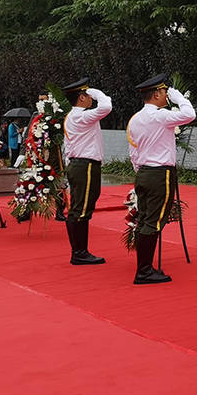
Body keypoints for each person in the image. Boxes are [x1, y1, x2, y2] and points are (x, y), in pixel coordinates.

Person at [127, 74, 196, 284]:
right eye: (165, 92)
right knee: (154, 221)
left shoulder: (136, 118)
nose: (167, 95)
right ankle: (144, 270)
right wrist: (179, 99)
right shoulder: (159, 116)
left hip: (144, 172)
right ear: (156, 93)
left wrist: (140, 169)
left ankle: (144, 267)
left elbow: (133, 150)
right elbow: (189, 114)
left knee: (145, 219)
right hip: (159, 174)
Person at [62, 78, 112, 265]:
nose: (90, 98)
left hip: (79, 165)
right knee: (81, 209)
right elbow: (106, 106)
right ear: (82, 97)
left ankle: (79, 251)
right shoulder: (81, 116)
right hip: (85, 166)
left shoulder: (71, 116)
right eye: (87, 95)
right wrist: (96, 91)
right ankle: (79, 252)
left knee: (79, 207)